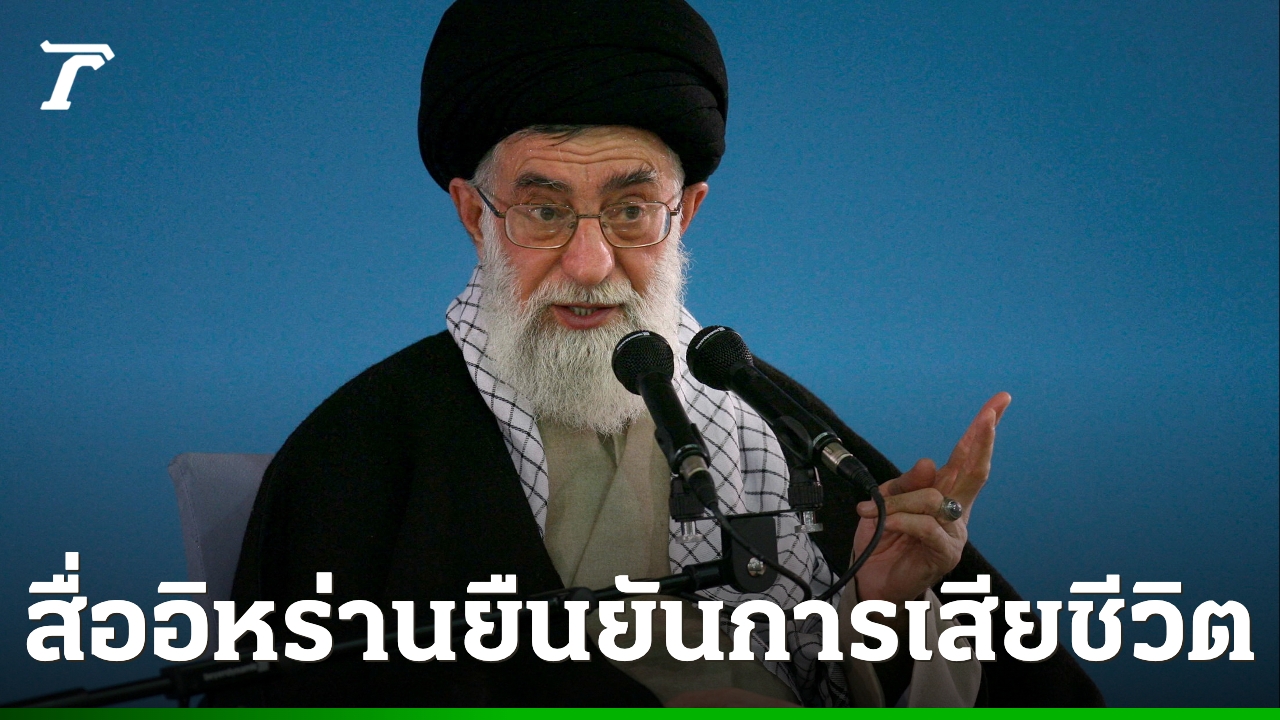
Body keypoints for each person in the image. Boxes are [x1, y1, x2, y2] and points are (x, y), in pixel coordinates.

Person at [217, 0, 1104, 707]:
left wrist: (877, 612)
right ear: (474, 214)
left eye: (632, 210)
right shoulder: (359, 454)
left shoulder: (766, 418)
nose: (589, 262)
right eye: (544, 210)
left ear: (688, 214)